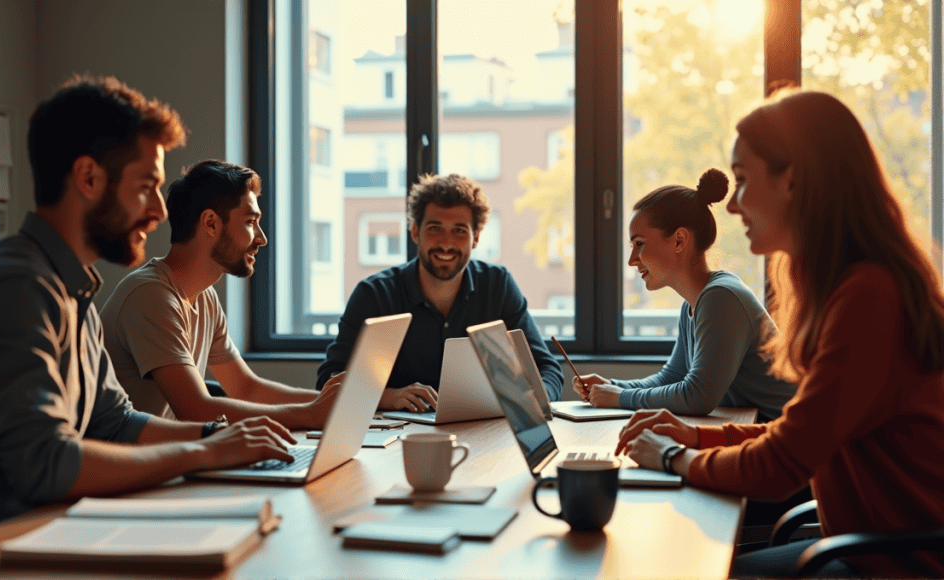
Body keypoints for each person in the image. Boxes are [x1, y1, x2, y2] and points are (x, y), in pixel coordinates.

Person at [0, 75, 295, 549]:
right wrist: (201, 452)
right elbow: (45, 464)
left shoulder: (74, 290)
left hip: (41, 531)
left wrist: (216, 438)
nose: (159, 210)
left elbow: (115, 422)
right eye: (146, 186)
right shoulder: (13, 285)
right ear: (89, 177)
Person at [616, 89, 944, 578]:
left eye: (744, 181)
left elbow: (781, 465)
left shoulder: (869, 297)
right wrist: (695, 440)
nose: (731, 207)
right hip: (865, 549)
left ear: (791, 180)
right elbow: (799, 434)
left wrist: (673, 457)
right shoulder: (850, 288)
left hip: (893, 565)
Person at [100, 160, 343, 429]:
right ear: (211, 223)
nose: (261, 238)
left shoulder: (204, 297)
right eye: (251, 222)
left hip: (170, 458)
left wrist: (334, 404)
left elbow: (246, 388)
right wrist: (311, 415)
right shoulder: (151, 295)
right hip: (136, 465)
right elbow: (196, 409)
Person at [316, 173, 563, 412]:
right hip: (397, 436)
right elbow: (329, 379)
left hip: (483, 431)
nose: (446, 243)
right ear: (415, 232)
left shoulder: (498, 286)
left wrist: (535, 401)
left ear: (475, 238)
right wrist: (389, 397)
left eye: (459, 231)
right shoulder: (374, 294)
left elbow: (547, 369)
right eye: (435, 228)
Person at [574, 169, 797, 421]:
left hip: (783, 441)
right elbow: (672, 377)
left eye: (639, 244)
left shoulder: (721, 299)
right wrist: (613, 386)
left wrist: (619, 397)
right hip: (755, 432)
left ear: (679, 240)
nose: (632, 260)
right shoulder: (695, 303)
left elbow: (697, 396)